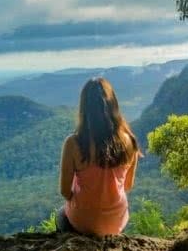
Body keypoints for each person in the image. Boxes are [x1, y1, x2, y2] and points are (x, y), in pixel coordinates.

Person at [56, 77, 139, 235]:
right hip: (116, 222)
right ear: (113, 105)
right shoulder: (130, 141)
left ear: (84, 108)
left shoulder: (74, 143)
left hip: (82, 222)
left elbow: (65, 192)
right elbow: (127, 186)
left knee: (60, 215)